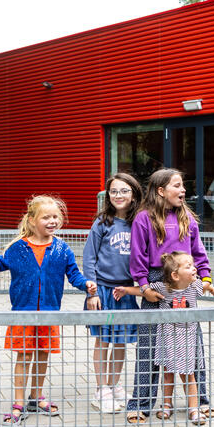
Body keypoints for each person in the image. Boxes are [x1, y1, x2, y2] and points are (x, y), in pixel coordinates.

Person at [0, 196, 97, 427]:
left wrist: (85, 284)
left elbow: (73, 274)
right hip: (23, 313)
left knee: (43, 354)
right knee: (24, 356)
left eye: (56, 216)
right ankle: (18, 403)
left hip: (49, 313)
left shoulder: (61, 248)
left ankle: (36, 397)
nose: (52, 221)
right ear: (32, 219)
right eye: (46, 217)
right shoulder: (18, 248)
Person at [125, 168, 214, 424]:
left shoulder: (186, 216)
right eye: (177, 185)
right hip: (155, 283)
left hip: (185, 283)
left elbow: (198, 253)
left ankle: (200, 400)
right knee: (149, 347)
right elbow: (138, 256)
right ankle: (140, 403)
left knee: (192, 345)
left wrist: (205, 278)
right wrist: (144, 287)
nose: (183, 190)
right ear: (161, 190)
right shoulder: (144, 218)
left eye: (182, 186)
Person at [115, 252, 209, 425]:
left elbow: (205, 286)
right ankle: (166, 404)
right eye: (188, 267)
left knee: (188, 375)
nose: (194, 268)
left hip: (187, 339)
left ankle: (194, 408)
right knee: (167, 374)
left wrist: (210, 286)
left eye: (192, 265)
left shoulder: (194, 286)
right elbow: (143, 291)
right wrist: (126, 290)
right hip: (166, 338)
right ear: (175, 275)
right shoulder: (164, 287)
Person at [83, 173, 143, 413]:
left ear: (134, 194)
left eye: (124, 191)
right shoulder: (102, 223)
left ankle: (114, 384)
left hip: (125, 292)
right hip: (104, 292)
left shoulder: (138, 222)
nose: (119, 195)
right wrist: (92, 292)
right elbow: (89, 259)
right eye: (114, 191)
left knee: (121, 342)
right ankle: (101, 389)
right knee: (104, 340)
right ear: (108, 195)